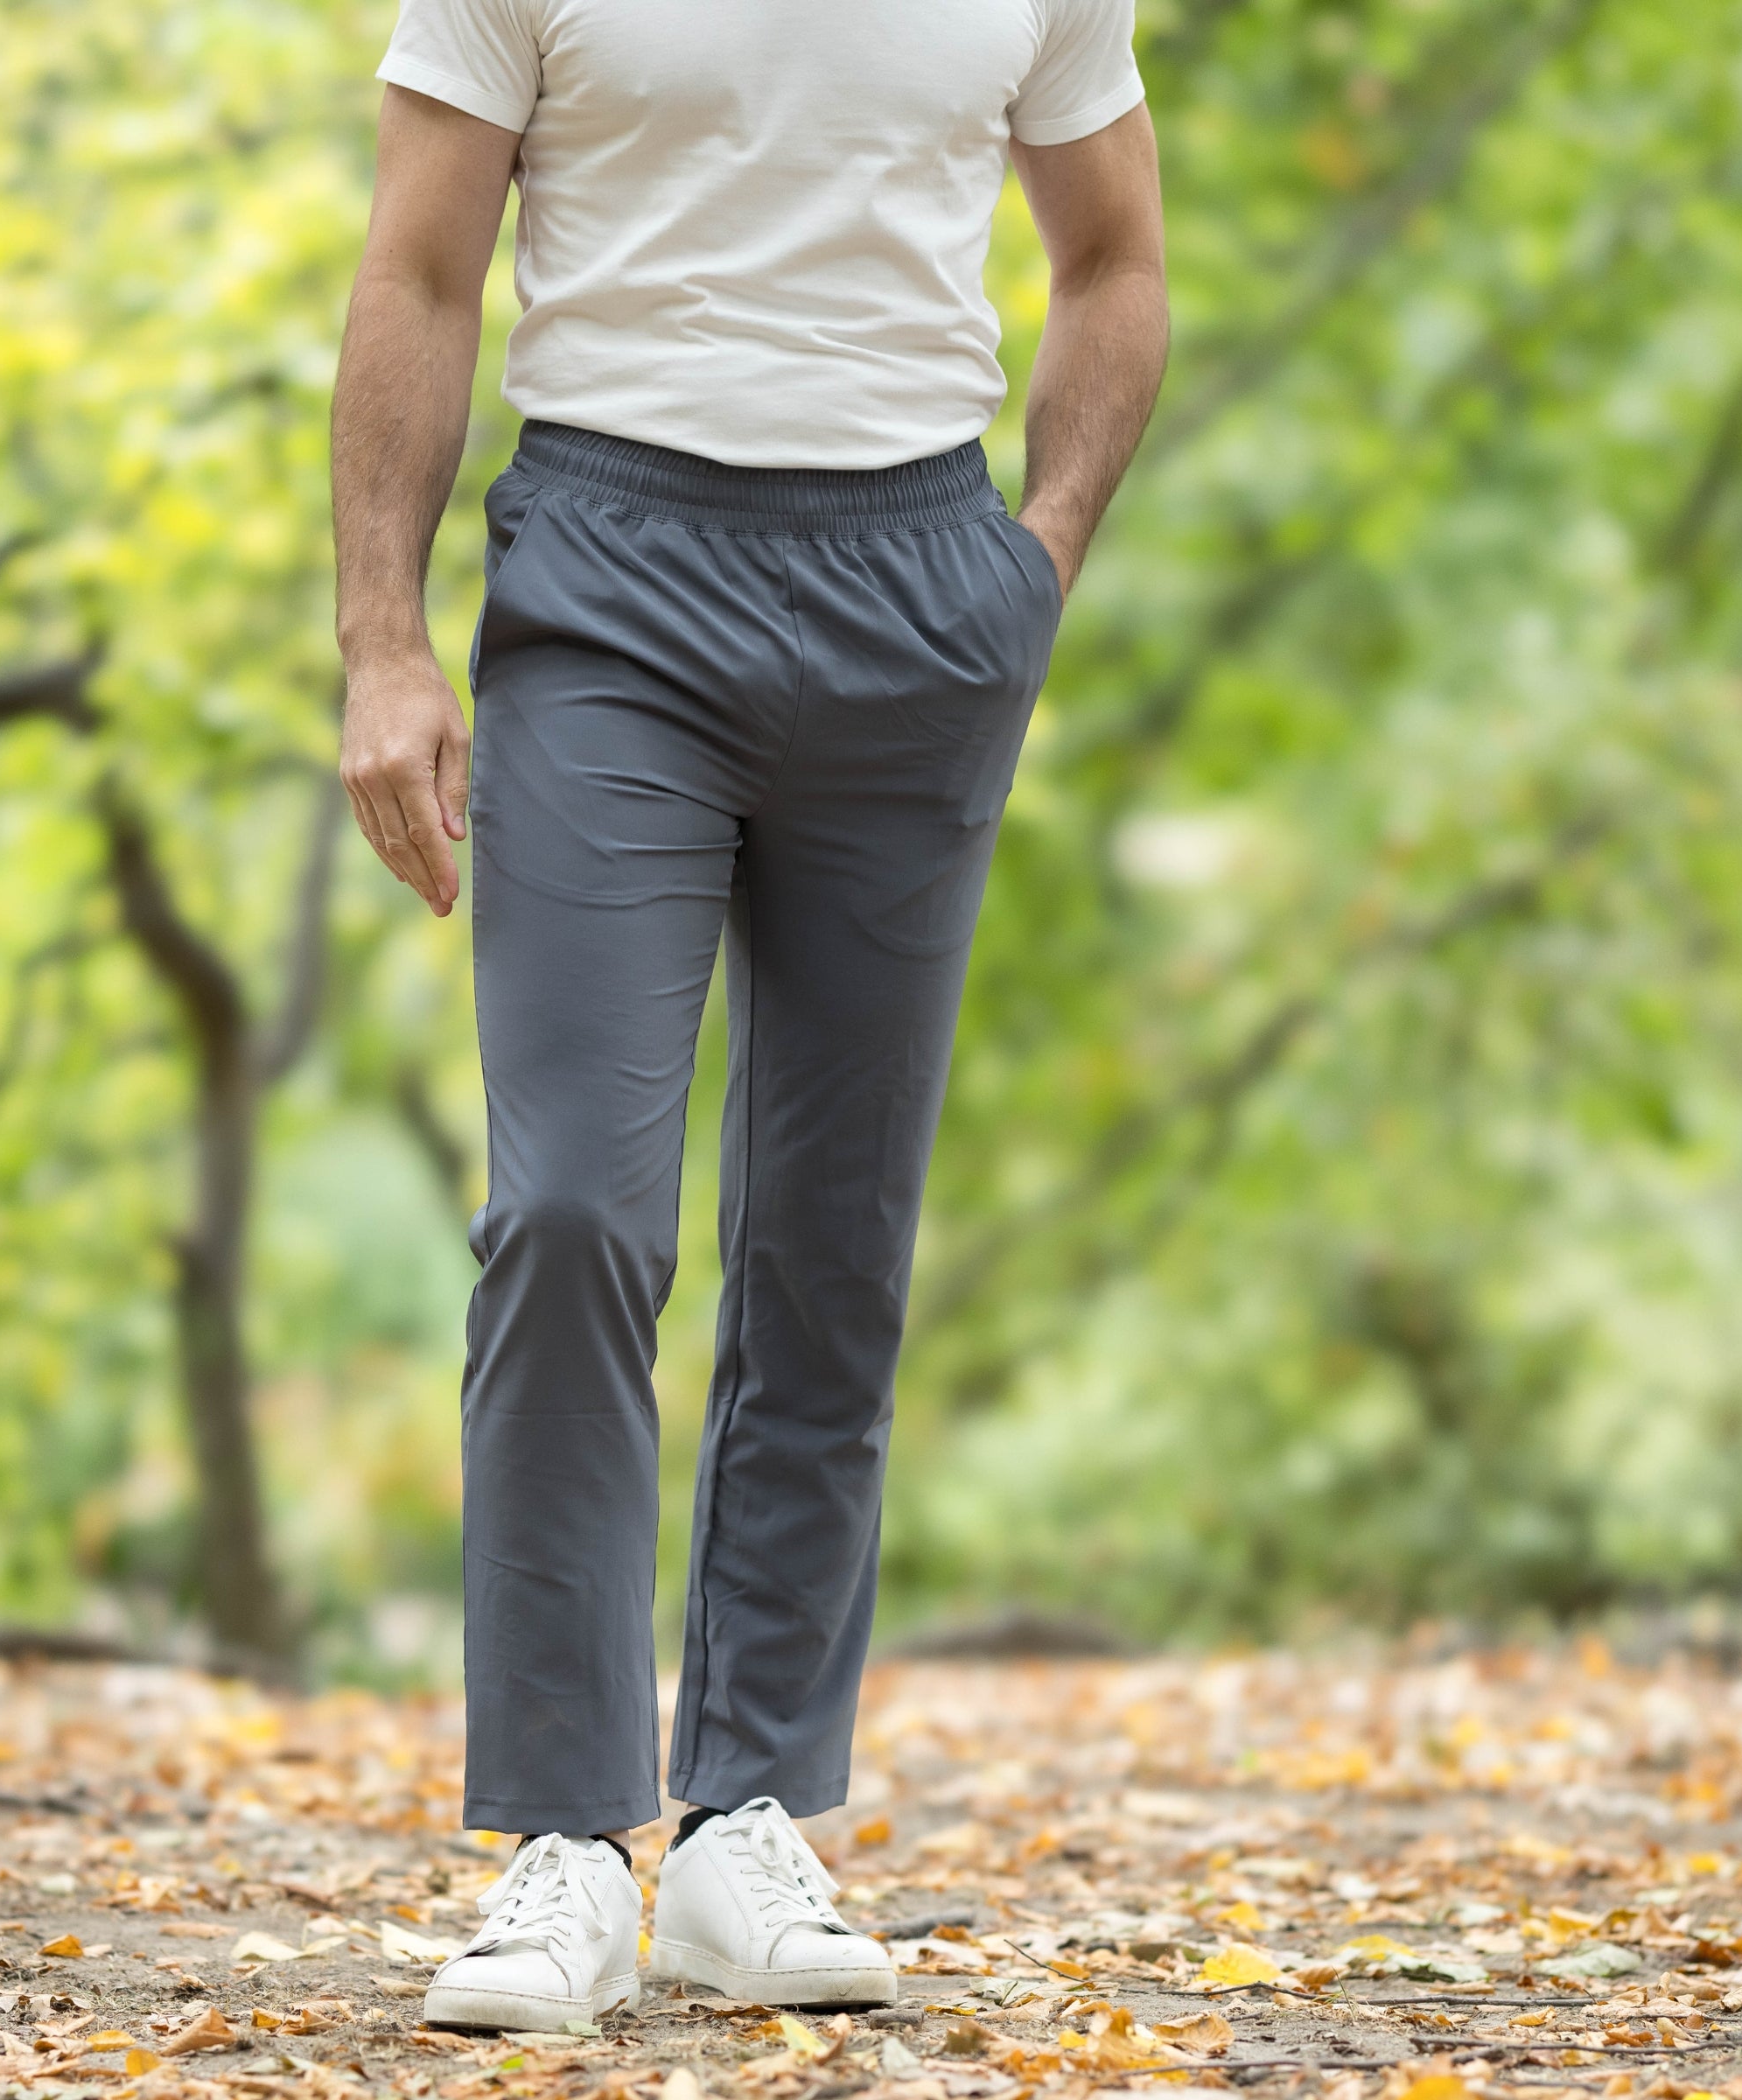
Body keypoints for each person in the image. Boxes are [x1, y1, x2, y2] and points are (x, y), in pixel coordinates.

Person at [330, 0, 1168, 2036]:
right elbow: (422, 266)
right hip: (613, 579)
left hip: (915, 585)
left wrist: (1030, 569)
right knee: (572, 1216)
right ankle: (559, 1840)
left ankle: (746, 1822)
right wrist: (381, 640)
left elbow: (1118, 260)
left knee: (831, 1243)